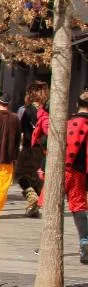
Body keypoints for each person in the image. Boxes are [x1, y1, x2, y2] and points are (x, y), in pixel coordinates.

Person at [15, 82, 48, 218]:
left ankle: (31, 197)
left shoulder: (27, 110)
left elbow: (21, 129)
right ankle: (34, 208)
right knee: (37, 178)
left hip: (29, 147)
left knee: (20, 175)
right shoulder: (48, 109)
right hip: (44, 150)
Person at [62, 92, 88, 262]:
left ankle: (50, 242)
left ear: (77, 104)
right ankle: (85, 240)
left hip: (64, 169)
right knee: (78, 206)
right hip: (81, 172)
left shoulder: (69, 123)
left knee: (53, 204)